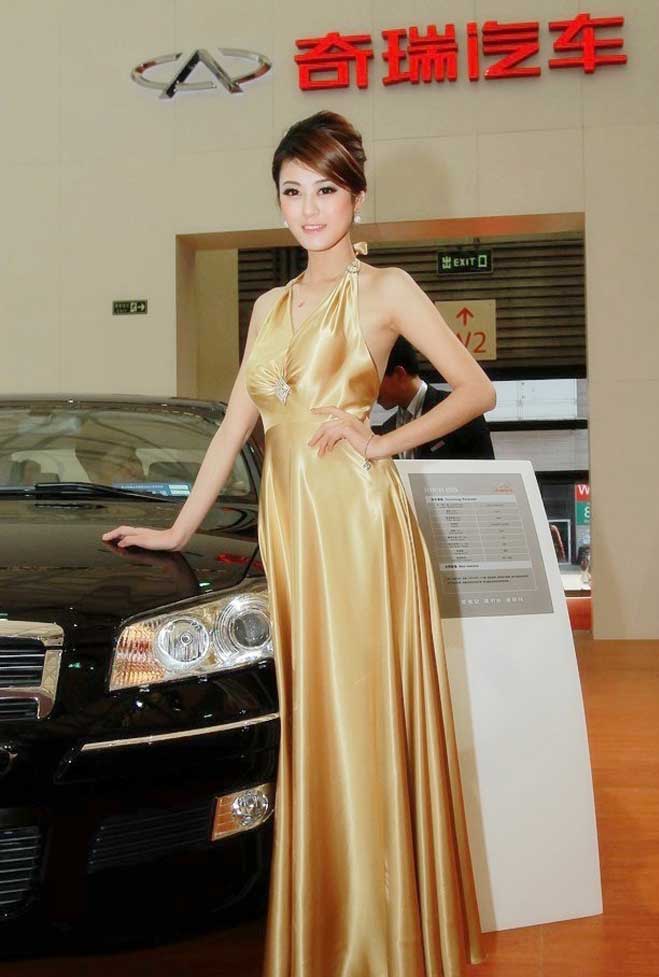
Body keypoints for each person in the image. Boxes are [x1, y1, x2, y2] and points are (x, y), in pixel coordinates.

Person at [103, 110, 495, 976]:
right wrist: (176, 528)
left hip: (357, 530)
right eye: (292, 191)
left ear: (356, 195)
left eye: (326, 189)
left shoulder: (386, 289)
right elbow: (232, 430)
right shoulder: (268, 306)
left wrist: (382, 442)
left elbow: (475, 390)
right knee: (312, 719)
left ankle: (381, 939)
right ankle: (332, 929)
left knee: (359, 716)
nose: (309, 209)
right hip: (293, 536)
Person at [374, 335, 495, 460]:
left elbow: (487, 469)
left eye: (373, 382)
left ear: (399, 374)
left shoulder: (462, 411)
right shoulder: (387, 428)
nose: (369, 392)